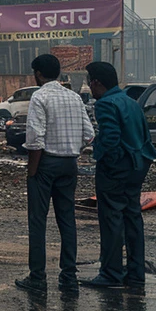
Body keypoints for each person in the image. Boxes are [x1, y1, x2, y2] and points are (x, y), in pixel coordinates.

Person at [17, 54, 94, 293]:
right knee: (67, 219)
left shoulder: (40, 96)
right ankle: (68, 276)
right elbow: (89, 134)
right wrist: (72, 149)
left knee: (38, 222)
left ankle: (37, 277)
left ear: (38, 74)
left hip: (46, 164)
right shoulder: (73, 97)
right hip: (69, 164)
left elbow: (35, 139)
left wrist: (32, 172)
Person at [83, 61, 156, 289]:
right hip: (138, 166)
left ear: (96, 82)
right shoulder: (131, 102)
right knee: (132, 218)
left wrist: (107, 161)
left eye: (89, 81)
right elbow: (145, 136)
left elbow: (111, 139)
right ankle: (135, 273)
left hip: (117, 170)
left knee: (111, 220)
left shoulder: (106, 104)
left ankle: (111, 273)